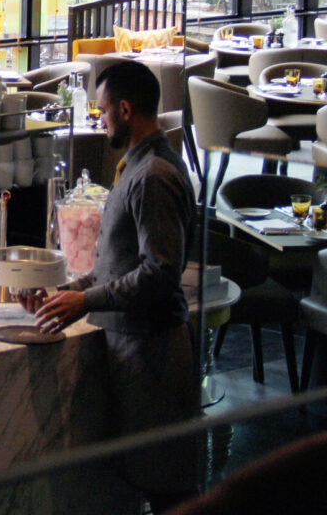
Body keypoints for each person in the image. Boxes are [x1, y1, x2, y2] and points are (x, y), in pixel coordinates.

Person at [20, 59, 198, 513]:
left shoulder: (154, 176)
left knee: (167, 490)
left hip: (152, 354)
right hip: (130, 350)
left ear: (124, 109)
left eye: (101, 113)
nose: (99, 123)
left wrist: (85, 301)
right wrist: (65, 294)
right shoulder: (135, 168)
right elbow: (116, 266)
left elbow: (159, 273)